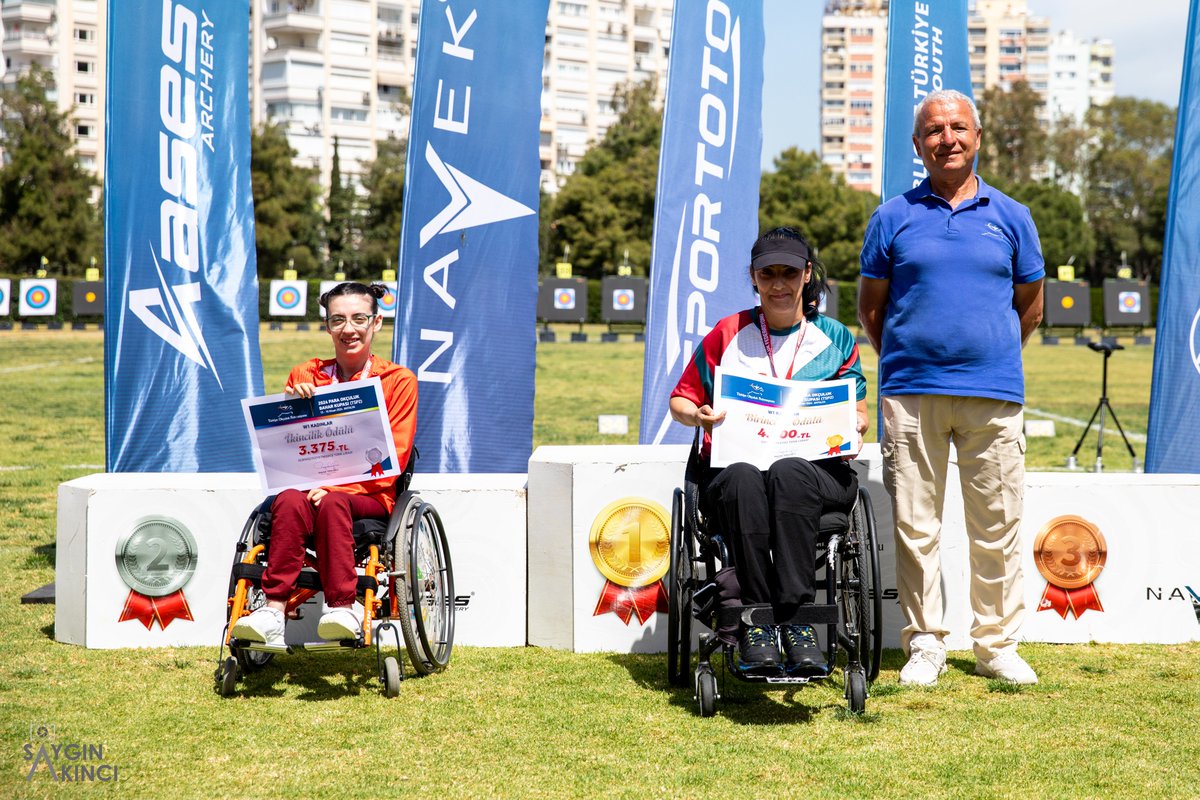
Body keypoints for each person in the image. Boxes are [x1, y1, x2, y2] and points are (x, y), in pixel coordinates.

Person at [857, 89, 1045, 686]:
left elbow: (1031, 309)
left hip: (993, 393)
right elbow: (871, 310)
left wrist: (985, 357)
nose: (948, 139)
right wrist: (913, 360)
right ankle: (926, 645)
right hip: (911, 395)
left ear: (978, 137)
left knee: (998, 524)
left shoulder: (1013, 216)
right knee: (917, 529)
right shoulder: (891, 218)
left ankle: (996, 646)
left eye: (958, 127)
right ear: (918, 145)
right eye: (934, 131)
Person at [670, 227, 869, 673]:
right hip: (737, 474)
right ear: (754, 278)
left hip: (815, 474)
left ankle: (796, 621)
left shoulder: (835, 337)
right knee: (744, 475)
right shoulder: (728, 333)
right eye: (768, 274)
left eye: (789, 273)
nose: (779, 284)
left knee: (789, 471)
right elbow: (680, 400)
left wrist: (854, 420)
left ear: (807, 275)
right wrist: (696, 415)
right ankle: (757, 621)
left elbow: (859, 408)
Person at [232, 282, 417, 646]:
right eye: (338, 320)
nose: (349, 329)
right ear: (327, 326)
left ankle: (341, 608)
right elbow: (284, 450)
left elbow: (394, 454)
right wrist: (289, 409)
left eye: (358, 318)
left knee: (332, 502)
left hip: (369, 494)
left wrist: (336, 487)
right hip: (305, 492)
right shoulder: (304, 375)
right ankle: (272, 610)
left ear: (376, 323)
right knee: (287, 499)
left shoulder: (398, 381)